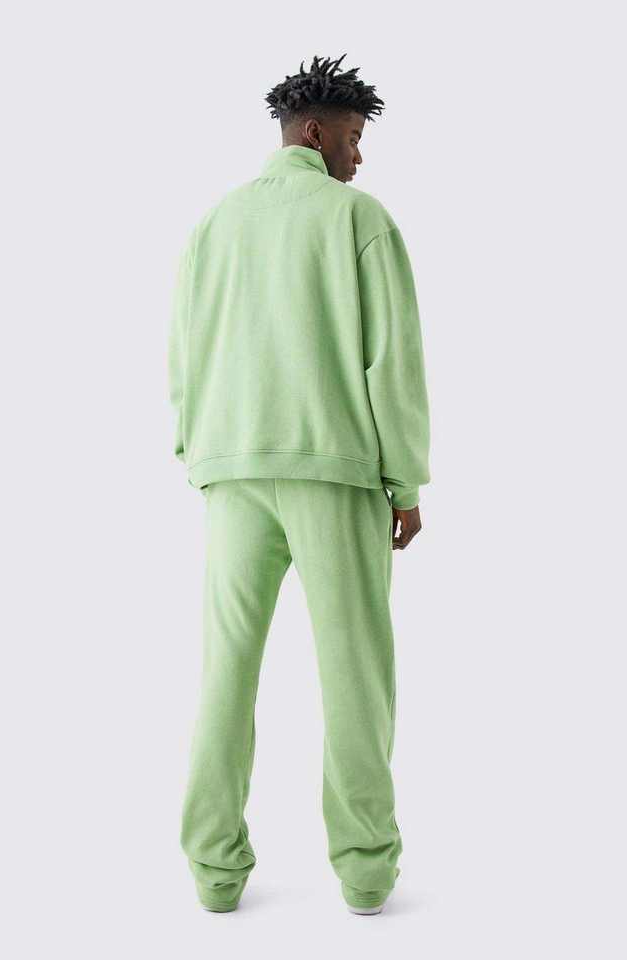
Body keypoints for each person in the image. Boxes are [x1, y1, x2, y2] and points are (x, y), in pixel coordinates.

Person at [168, 53, 431, 915]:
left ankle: (214, 873)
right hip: (334, 471)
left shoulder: (216, 223)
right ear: (313, 132)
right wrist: (405, 482)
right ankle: (366, 872)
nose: (358, 155)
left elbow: (184, 350)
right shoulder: (357, 219)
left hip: (231, 470)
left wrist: (198, 450)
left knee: (225, 671)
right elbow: (392, 363)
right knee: (355, 673)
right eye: (352, 137)